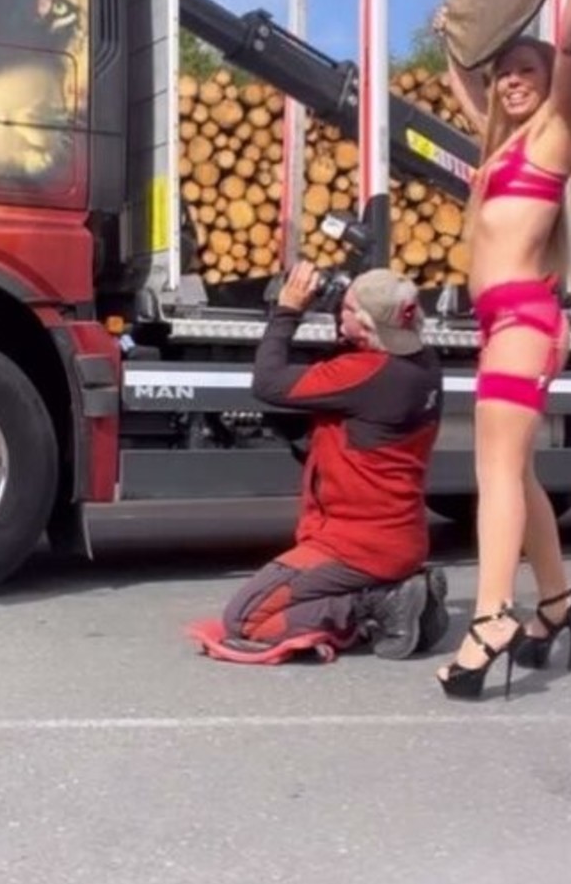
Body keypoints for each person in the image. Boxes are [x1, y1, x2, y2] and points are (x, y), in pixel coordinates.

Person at [433, 0, 571, 700]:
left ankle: (492, 615)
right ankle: (558, 602)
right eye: (506, 76)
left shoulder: (555, 138)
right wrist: (453, 44)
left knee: (494, 470)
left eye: (526, 72)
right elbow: (472, 92)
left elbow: (570, 43)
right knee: (517, 469)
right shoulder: (500, 150)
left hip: (527, 321)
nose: (513, 83)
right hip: (503, 322)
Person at [190, 262, 447, 665]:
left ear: (365, 325)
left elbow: (268, 382)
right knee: (278, 605)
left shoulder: (365, 374)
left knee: (246, 619)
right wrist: (343, 318)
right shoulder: (423, 364)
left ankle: (380, 602)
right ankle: (400, 593)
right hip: (398, 537)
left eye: (347, 309)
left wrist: (288, 310)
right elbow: (351, 364)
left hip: (355, 546)